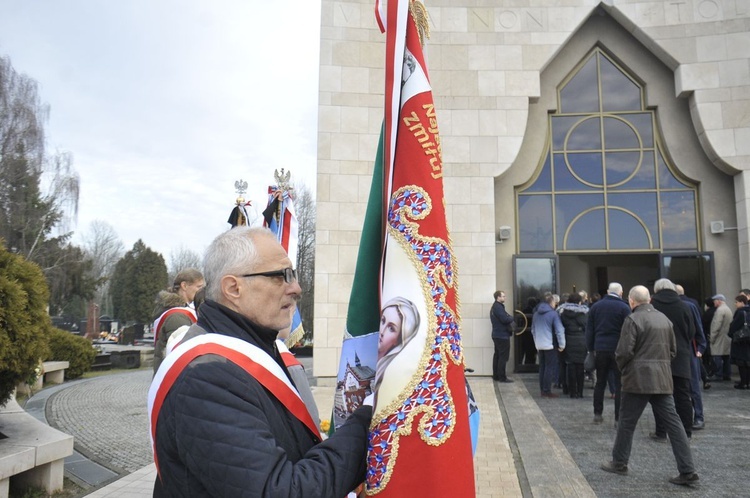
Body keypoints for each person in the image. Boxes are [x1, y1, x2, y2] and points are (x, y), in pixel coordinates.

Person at [148, 227, 371, 497]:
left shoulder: (258, 349)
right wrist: (366, 425)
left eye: (294, 275)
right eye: (281, 276)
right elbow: (280, 491)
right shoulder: (207, 376)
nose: (296, 288)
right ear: (233, 288)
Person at [601, 285, 699, 487]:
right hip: (662, 379)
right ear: (650, 300)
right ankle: (688, 470)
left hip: (636, 380)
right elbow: (673, 351)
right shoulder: (664, 320)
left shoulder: (633, 319)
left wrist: (625, 369)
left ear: (631, 301)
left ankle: (619, 462)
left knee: (627, 423)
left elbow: (623, 352)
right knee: (674, 424)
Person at [650, 278, 695, 440]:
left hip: (658, 354)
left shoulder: (652, 306)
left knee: (659, 394)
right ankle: (686, 431)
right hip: (681, 355)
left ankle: (661, 431)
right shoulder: (684, 306)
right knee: (683, 395)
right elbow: (691, 331)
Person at [586, 282, 631, 424]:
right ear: (621, 293)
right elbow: (629, 331)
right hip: (618, 350)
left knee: (600, 382)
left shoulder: (595, 307)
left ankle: (597, 413)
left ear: (607, 291)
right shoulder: (624, 308)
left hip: (600, 348)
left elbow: (589, 330)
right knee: (619, 384)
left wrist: (590, 348)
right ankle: (618, 418)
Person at [152, 268, 205, 372]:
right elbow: (184, 354)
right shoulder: (177, 316)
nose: (201, 291)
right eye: (199, 287)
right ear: (184, 286)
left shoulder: (176, 311)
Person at [675, 284, 707, 431]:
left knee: (692, 385)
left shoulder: (688, 306)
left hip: (688, 350)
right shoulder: (689, 305)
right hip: (687, 350)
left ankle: (698, 416)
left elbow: (697, 328)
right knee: (691, 385)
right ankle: (696, 417)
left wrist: (700, 347)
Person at [373, 296, 421, 395]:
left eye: (391, 328)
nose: (382, 331)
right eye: (382, 321)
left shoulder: (394, 375)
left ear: (399, 339)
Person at [531, 294, 565, 398]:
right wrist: (562, 344)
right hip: (550, 344)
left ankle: (542, 390)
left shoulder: (536, 314)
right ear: (552, 302)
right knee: (549, 368)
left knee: (542, 367)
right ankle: (547, 390)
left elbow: (533, 330)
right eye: (555, 303)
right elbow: (559, 330)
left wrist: (536, 342)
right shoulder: (553, 314)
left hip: (539, 344)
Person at [558, 293, 588, 398]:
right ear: (580, 302)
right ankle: (580, 392)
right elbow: (587, 326)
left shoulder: (563, 313)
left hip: (569, 341)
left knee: (570, 367)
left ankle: (572, 392)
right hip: (581, 341)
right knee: (580, 367)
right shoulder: (584, 313)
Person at [490, 290, 515, 383]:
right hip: (502, 335)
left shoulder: (496, 307)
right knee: (503, 357)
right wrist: (511, 318)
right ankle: (502, 377)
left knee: (497, 355)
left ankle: (496, 375)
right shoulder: (498, 307)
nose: (505, 298)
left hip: (497, 334)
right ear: (498, 297)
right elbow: (505, 319)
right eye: (503, 296)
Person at [710, 294, 733, 382]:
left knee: (717, 356)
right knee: (726, 357)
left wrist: (712, 337)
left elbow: (716, 325)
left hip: (719, 337)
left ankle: (718, 374)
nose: (714, 303)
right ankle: (727, 374)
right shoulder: (728, 309)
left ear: (719, 301)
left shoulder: (720, 310)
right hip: (726, 337)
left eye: (714, 301)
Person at [729, 294, 750, 389]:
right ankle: (748, 382)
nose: (735, 304)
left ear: (742, 302)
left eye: (736, 302)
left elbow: (733, 327)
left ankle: (744, 382)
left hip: (740, 340)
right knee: (748, 362)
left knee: (741, 363)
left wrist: (731, 334)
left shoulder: (740, 313)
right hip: (748, 340)